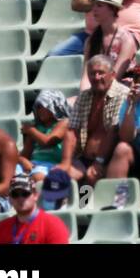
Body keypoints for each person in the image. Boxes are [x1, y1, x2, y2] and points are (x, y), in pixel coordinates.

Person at [58, 56, 129, 186]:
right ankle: (68, 205)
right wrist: (66, 162)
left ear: (112, 75)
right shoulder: (84, 97)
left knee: (91, 179)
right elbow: (71, 130)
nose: (96, 77)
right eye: (92, 73)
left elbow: (113, 132)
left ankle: (86, 204)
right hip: (83, 158)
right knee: (59, 177)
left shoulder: (123, 94)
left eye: (101, 73)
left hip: (108, 159)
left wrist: (99, 162)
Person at [0, 172, 69, 244]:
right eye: (15, 194)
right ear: (10, 199)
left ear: (35, 195)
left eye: (25, 193)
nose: (20, 198)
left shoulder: (53, 225)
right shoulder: (1, 228)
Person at [82, 0, 138, 86]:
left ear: (113, 9)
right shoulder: (92, 40)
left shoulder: (126, 40)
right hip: (97, 89)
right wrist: (84, 94)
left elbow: (116, 76)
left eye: (99, 5)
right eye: (94, 5)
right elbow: (86, 76)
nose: (94, 9)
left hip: (121, 89)